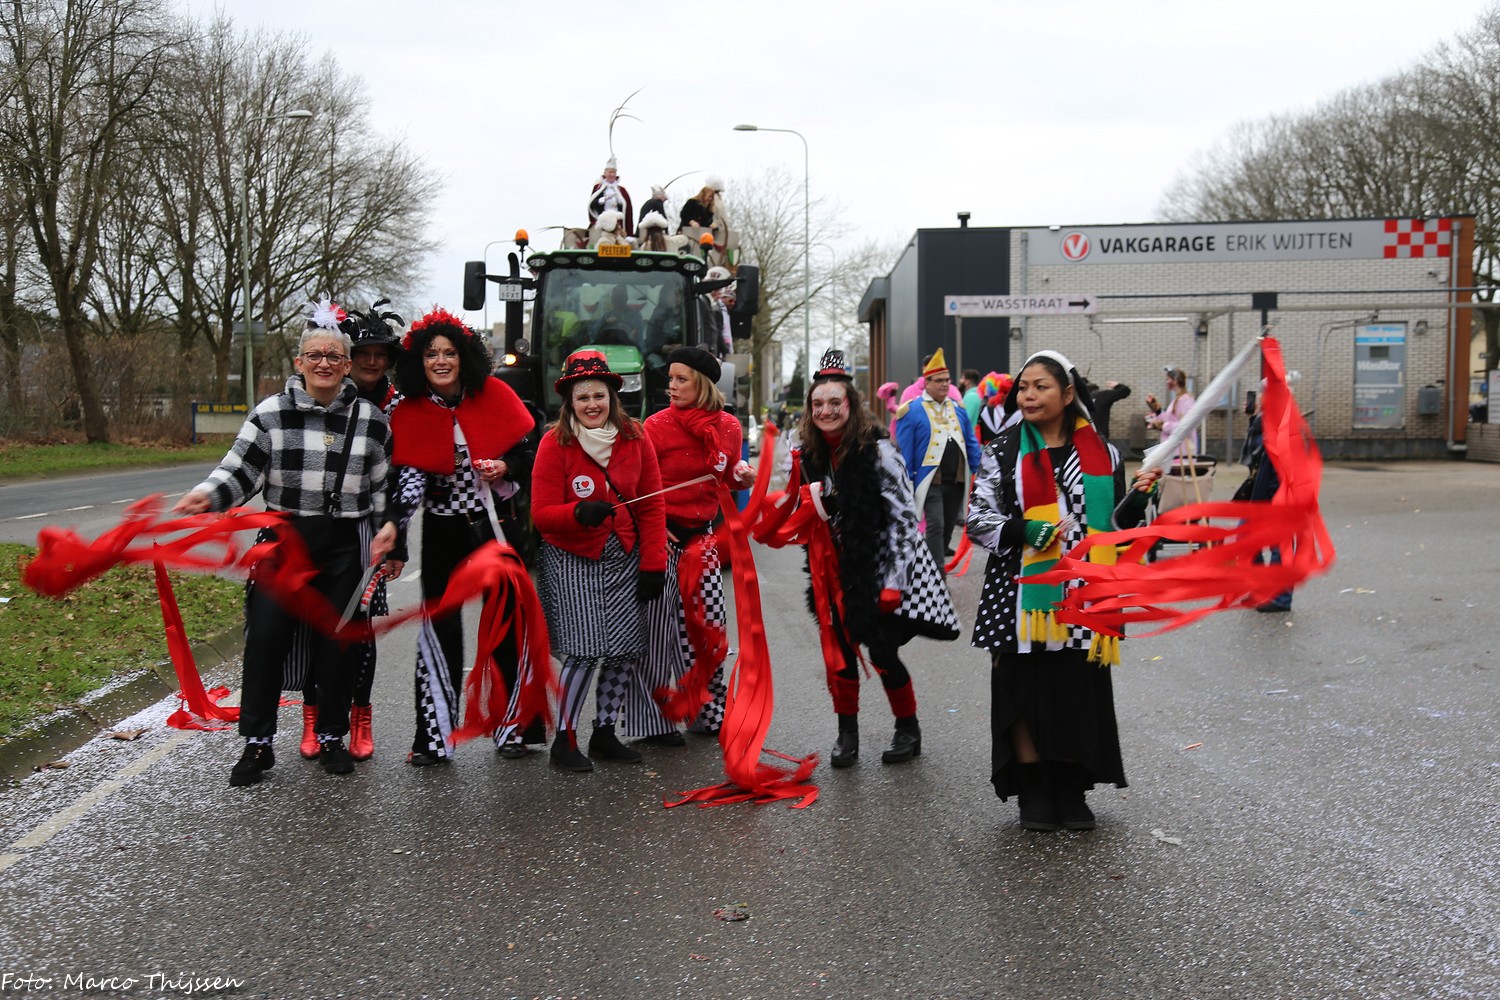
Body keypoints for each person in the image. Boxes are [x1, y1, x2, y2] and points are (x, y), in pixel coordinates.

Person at [173, 299, 398, 786]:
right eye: (315, 355)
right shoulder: (270, 414)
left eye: (334, 356)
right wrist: (207, 496)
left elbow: (383, 487)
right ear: (299, 362)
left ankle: (332, 736)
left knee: (338, 644)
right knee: (266, 638)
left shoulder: (371, 420)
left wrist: (388, 527)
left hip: (347, 544)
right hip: (283, 540)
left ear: (346, 365)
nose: (324, 363)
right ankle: (257, 745)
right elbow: (239, 470)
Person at [967, 350, 1160, 832]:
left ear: (1068, 393)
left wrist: (1139, 499)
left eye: (1041, 387)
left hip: (1085, 592)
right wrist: (1021, 529)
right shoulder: (1003, 449)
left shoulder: (1104, 453)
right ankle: (1034, 788)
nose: (1028, 396)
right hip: (1020, 592)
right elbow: (977, 518)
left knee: (1077, 690)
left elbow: (1114, 525)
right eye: (1023, 388)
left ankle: (1071, 788)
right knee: (1022, 689)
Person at [389, 308, 539, 766]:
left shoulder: (495, 395)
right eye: (431, 354)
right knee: (439, 629)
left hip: (494, 524)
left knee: (508, 623)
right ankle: (434, 737)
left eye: (449, 353)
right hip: (442, 530)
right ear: (419, 361)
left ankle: (513, 728)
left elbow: (528, 453)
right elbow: (409, 479)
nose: (440, 361)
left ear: (464, 357)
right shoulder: (407, 410)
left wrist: (505, 466)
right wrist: (396, 524)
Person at [796, 350, 960, 768]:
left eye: (835, 402)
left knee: (883, 650)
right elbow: (799, 507)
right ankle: (846, 733)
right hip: (833, 569)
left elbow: (905, 521)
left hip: (882, 565)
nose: (826, 411)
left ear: (851, 405)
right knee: (839, 652)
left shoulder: (878, 451)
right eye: (818, 403)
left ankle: (908, 728)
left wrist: (892, 582)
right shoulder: (808, 455)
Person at [531, 350, 668, 772]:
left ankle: (604, 732)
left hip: (624, 555)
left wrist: (654, 563)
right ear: (569, 402)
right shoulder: (554, 443)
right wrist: (577, 512)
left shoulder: (636, 437)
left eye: (599, 396)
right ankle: (565, 739)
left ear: (612, 397)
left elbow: (652, 506)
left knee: (624, 649)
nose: (592, 404)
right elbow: (541, 514)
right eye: (582, 397)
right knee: (585, 652)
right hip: (572, 558)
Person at [625, 347, 754, 745]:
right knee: (657, 634)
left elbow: (726, 477)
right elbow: (635, 484)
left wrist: (742, 476)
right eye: (671, 379)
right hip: (662, 537)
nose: (672, 386)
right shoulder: (656, 425)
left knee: (710, 628)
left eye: (681, 379)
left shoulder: (729, 426)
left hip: (704, 537)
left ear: (701, 384)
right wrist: (653, 527)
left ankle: (706, 712)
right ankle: (653, 722)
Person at [894, 348, 981, 570]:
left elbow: (970, 442)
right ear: (927, 383)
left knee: (948, 527)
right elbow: (905, 452)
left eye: (947, 380)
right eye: (939, 380)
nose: (945, 384)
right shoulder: (911, 410)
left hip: (957, 480)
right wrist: (906, 483)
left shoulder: (958, 409)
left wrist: (981, 471)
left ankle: (930, 566)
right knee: (935, 524)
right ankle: (937, 572)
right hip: (929, 481)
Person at [1145, 366, 1197, 457]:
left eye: (1168, 379)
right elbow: (1169, 419)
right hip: (1173, 451)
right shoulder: (1177, 399)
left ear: (1175, 380)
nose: (1166, 382)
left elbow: (1186, 426)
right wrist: (1157, 410)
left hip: (1182, 453)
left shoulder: (1186, 400)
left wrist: (1163, 425)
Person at [588, 158, 633, 237]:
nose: (612, 174)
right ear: (605, 173)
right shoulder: (598, 188)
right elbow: (591, 205)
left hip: (618, 223)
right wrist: (600, 201)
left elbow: (628, 209)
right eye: (610, 172)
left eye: (614, 172)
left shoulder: (622, 190)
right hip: (603, 222)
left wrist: (620, 202)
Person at [1086, 379, 1131, 444]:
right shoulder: (1101, 395)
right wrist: (1117, 385)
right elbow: (1125, 391)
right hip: (1100, 437)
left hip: (1082, 437)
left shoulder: (1077, 399)